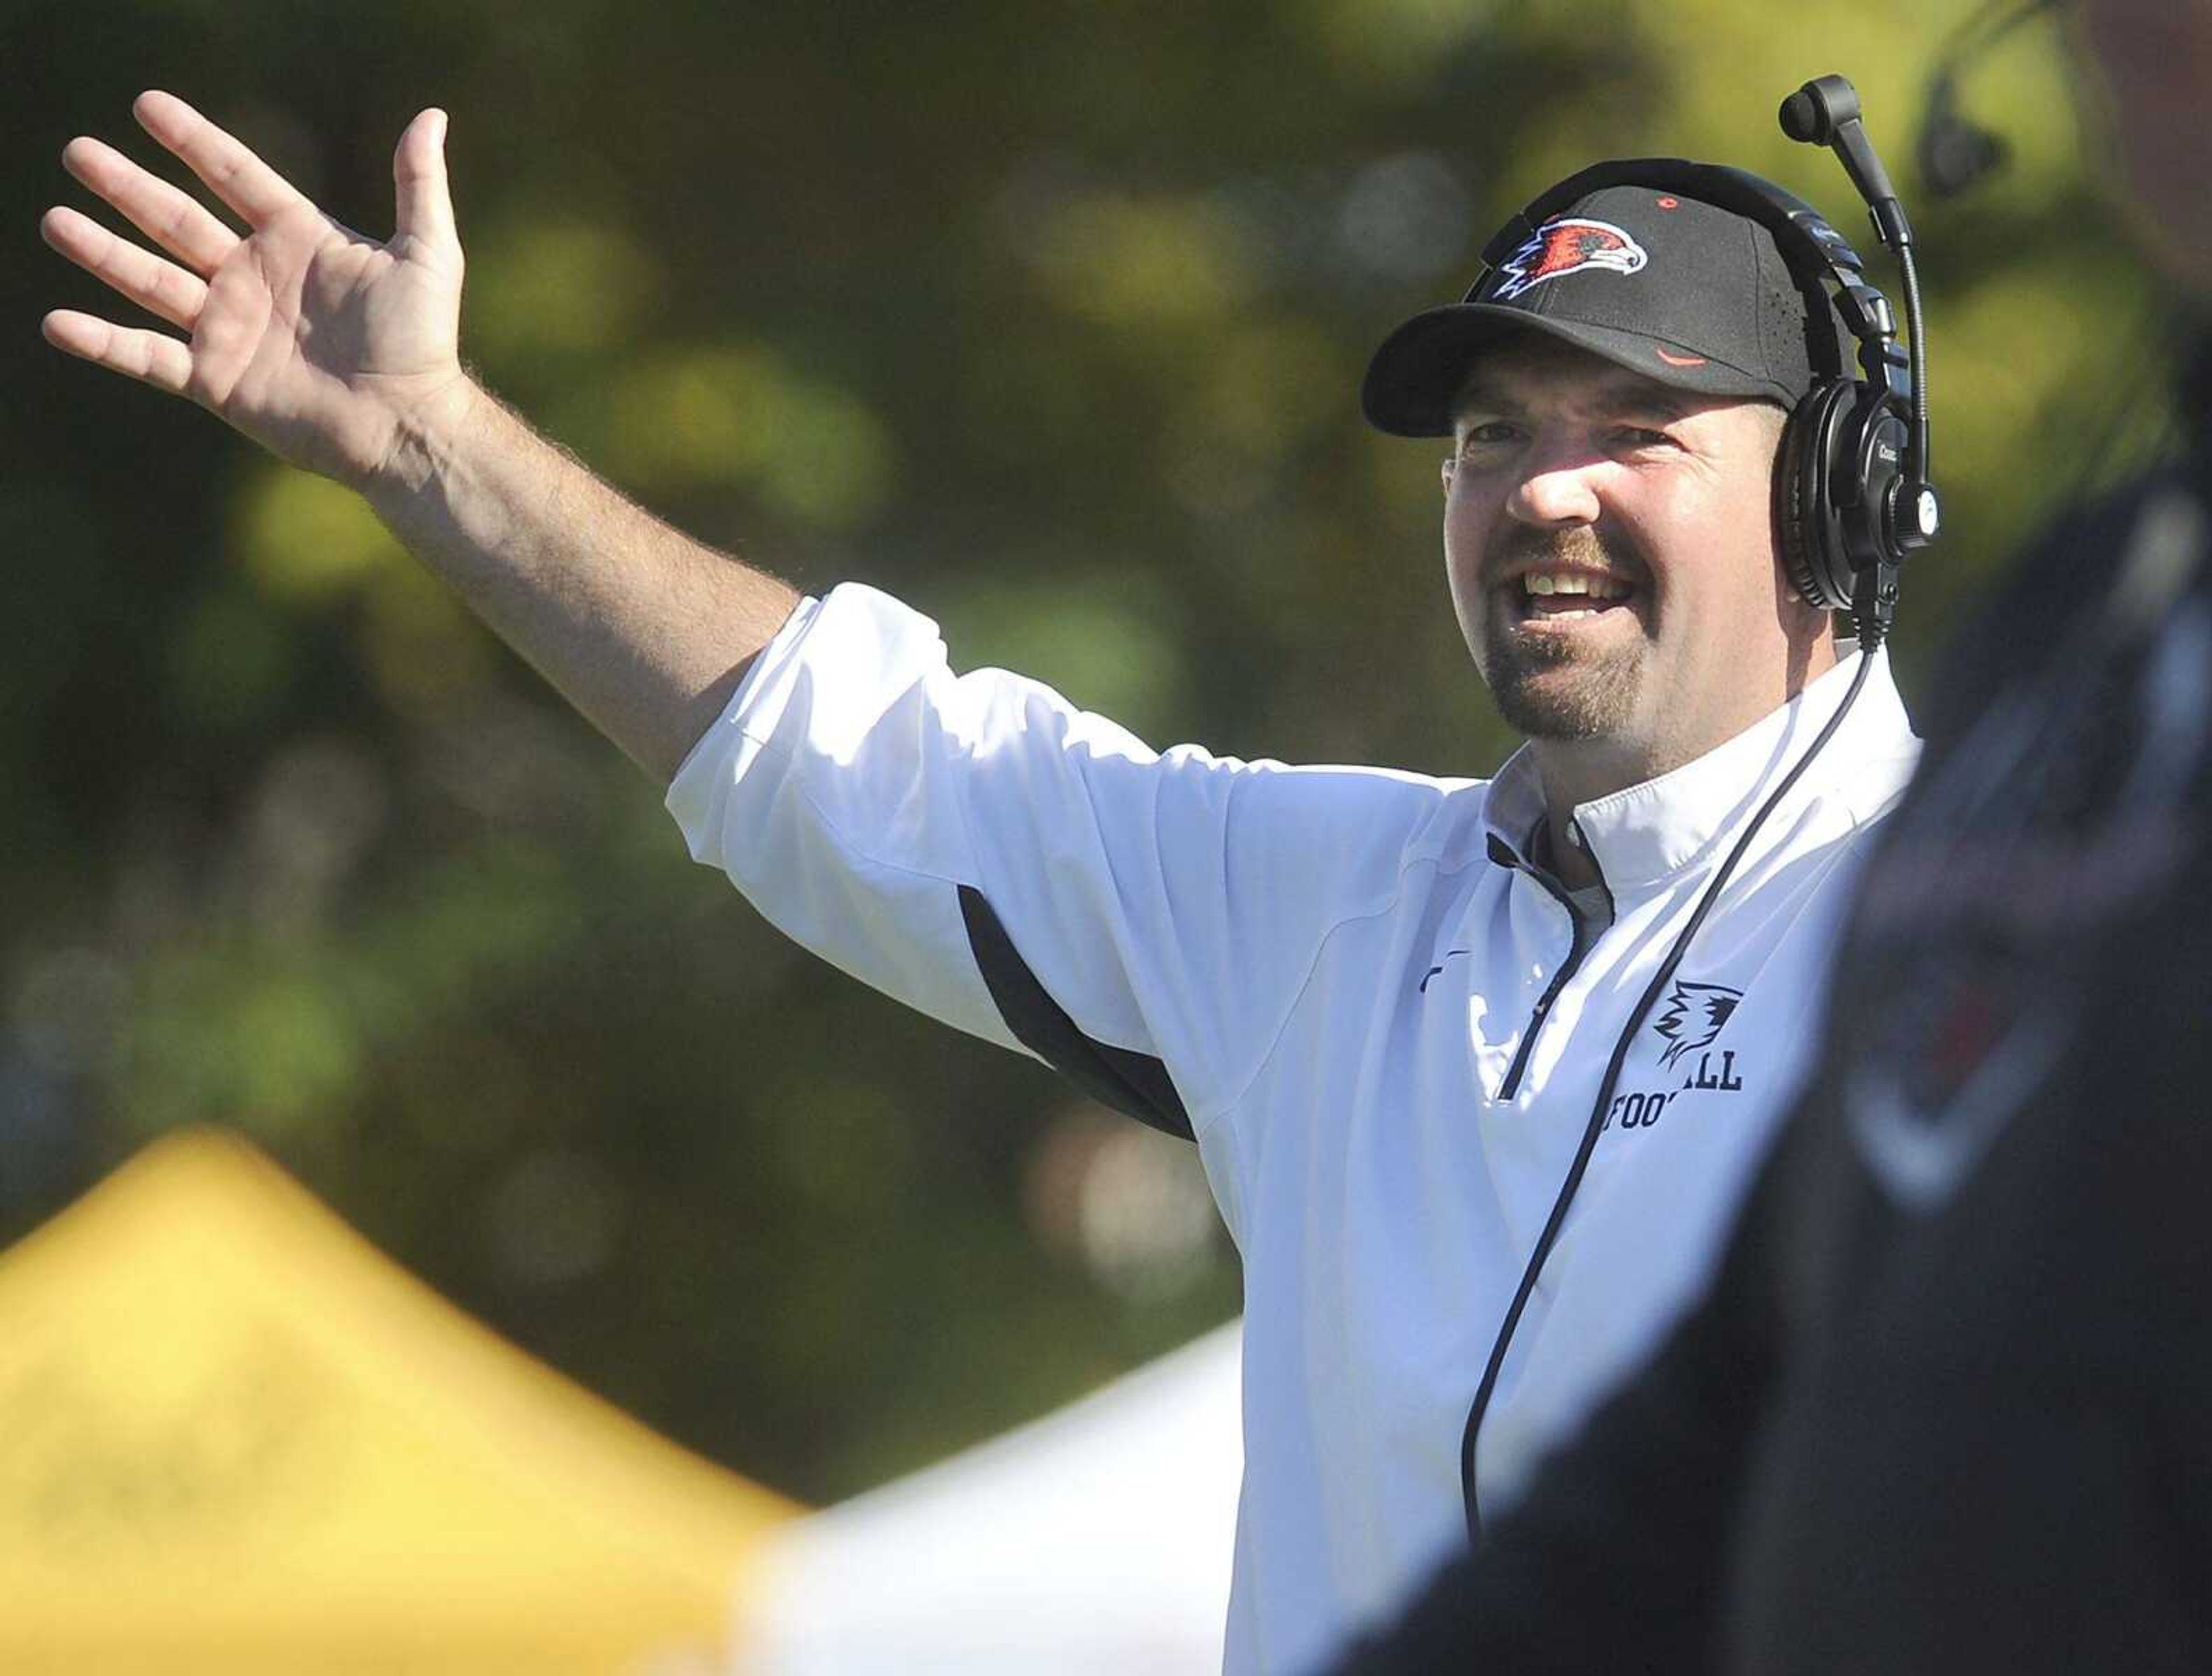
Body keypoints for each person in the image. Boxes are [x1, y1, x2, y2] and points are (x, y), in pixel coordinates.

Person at [39, 97, 1917, 1671]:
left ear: (1834, 493)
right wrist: (429, 445)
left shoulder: (1994, 937)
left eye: (1636, 427)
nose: (1542, 491)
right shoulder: (1343, 901)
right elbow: (857, 753)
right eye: (1496, 433)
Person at [1324, 1, 2212, 1669]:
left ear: (1839, 492)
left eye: (1635, 425)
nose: (2126, 31)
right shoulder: (2076, 639)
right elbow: (1731, 1405)